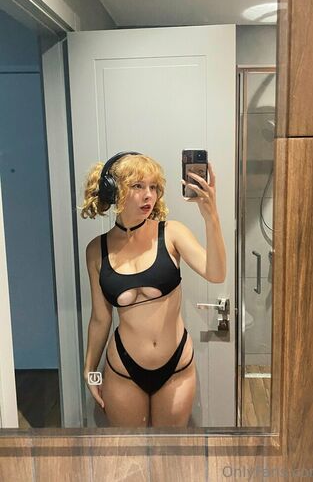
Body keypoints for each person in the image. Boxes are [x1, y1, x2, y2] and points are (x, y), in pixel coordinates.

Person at [80, 152, 226, 427]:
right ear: (113, 190)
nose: (149, 195)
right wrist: (90, 371)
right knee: (129, 450)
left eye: (154, 187)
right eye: (138, 186)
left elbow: (216, 274)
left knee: (170, 451)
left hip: (176, 365)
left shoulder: (171, 233)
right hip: (123, 369)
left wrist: (212, 217)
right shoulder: (96, 250)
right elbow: (100, 318)